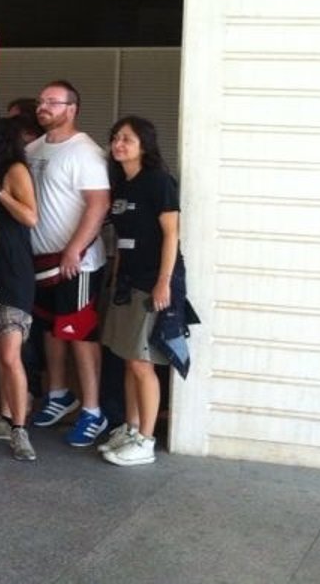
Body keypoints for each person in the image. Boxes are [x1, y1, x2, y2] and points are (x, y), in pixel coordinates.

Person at [25, 80, 112, 447]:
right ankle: (59, 395)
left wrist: (75, 249)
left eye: (53, 101)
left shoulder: (86, 152)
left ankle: (93, 411)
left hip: (77, 264)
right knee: (51, 331)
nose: (43, 106)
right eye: (41, 100)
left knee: (79, 334)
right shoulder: (33, 149)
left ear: (72, 109)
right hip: (41, 262)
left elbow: (99, 204)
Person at [100, 116, 185, 467]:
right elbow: (122, 238)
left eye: (127, 139)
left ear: (144, 145)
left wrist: (164, 280)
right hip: (126, 281)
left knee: (141, 360)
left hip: (151, 281)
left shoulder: (159, 181)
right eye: (115, 138)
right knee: (126, 356)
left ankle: (146, 441)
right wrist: (116, 276)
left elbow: (171, 234)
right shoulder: (122, 184)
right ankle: (131, 428)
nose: (118, 145)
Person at [0, 118, 40, 462]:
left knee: (9, 353)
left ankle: (20, 427)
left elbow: (31, 217)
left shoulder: (15, 170)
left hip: (14, 270)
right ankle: (3, 418)